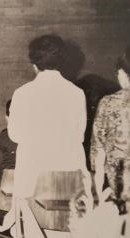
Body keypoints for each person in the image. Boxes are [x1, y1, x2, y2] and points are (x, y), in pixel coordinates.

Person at [8, 34, 87, 198]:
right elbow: (79, 135)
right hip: (67, 172)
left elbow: (15, 135)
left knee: (32, 220)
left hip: (33, 173)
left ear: (34, 64)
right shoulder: (77, 93)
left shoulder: (22, 94)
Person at [91, 46, 130, 204]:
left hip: (120, 194)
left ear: (122, 73)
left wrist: (99, 196)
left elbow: (99, 154)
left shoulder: (108, 103)